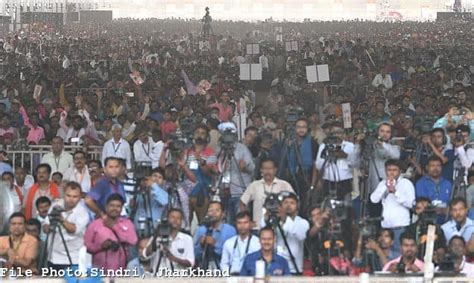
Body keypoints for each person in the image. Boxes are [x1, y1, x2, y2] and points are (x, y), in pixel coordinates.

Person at [370, 159, 415, 253]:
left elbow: (411, 204)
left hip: (400, 226)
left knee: (399, 254)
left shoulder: (406, 183)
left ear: (400, 171)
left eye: (394, 170)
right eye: (389, 170)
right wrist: (385, 186)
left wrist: (395, 192)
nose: (391, 172)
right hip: (386, 227)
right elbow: (373, 200)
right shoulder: (383, 183)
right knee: (385, 254)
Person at [84, 194, 137, 271]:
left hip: (120, 272)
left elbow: (133, 240)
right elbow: (86, 246)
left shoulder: (127, 223)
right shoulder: (95, 224)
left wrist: (114, 227)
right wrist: (101, 246)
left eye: (118, 206)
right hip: (99, 272)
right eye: (112, 205)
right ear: (106, 207)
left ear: (122, 208)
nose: (115, 208)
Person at [43, 182, 89, 270]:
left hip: (73, 258)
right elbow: (45, 226)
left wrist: (61, 219)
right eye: (68, 195)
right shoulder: (55, 205)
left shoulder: (83, 212)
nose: (71, 199)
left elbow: (73, 229)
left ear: (80, 197)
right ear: (64, 194)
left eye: (75, 196)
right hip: (52, 256)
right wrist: (49, 227)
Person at [240, 158, 294, 229]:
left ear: (275, 170)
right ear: (261, 170)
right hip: (258, 227)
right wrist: (247, 221)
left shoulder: (284, 185)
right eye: (265, 168)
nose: (267, 171)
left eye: (270, 168)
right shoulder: (254, 185)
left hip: (280, 228)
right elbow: (242, 203)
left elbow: (294, 202)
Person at [217, 123, 255, 225]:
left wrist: (245, 167)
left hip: (239, 192)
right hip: (224, 193)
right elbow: (217, 168)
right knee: (227, 223)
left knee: (241, 222)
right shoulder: (220, 149)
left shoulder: (242, 148)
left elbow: (253, 168)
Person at [267, 192, 309, 275]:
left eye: (292, 203)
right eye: (285, 202)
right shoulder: (275, 221)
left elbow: (301, 235)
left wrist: (285, 219)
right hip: (276, 268)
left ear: (297, 206)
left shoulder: (303, 222)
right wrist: (267, 217)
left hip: (294, 268)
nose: (288, 205)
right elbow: (263, 231)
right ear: (281, 205)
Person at [142, 208, 194, 273]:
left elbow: (190, 263)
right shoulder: (157, 236)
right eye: (172, 217)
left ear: (181, 221)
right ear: (167, 219)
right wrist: (156, 236)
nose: (175, 220)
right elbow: (145, 255)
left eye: (178, 218)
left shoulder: (187, 239)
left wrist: (174, 258)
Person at [194, 201, 236, 269]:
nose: (214, 213)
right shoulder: (201, 230)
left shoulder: (230, 230)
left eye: (217, 210)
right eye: (211, 210)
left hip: (223, 268)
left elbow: (233, 255)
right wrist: (201, 246)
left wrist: (215, 245)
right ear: (207, 213)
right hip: (204, 268)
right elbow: (195, 256)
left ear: (223, 214)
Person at [132, 167, 168, 237]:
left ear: (163, 182)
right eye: (154, 176)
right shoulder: (140, 190)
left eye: (160, 177)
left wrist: (153, 185)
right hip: (137, 229)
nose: (156, 179)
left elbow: (164, 201)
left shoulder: (164, 193)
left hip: (154, 230)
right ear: (149, 177)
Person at [220, 211, 260, 275]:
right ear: (236, 224)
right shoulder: (228, 243)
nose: (242, 225)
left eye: (245, 222)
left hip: (251, 277)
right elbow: (224, 263)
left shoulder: (258, 243)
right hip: (232, 277)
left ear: (251, 224)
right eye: (239, 223)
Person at [415, 155, 452, 222]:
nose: (435, 168)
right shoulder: (421, 183)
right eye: (432, 166)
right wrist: (442, 209)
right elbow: (423, 203)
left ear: (442, 167)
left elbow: (452, 202)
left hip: (446, 220)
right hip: (427, 219)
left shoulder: (448, 183)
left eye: (438, 166)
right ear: (427, 167)